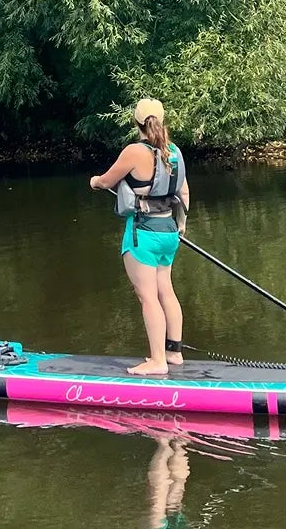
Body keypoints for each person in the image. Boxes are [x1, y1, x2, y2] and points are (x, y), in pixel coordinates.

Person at [89, 98, 190, 376]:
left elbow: (108, 180)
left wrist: (95, 181)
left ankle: (158, 361)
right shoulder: (174, 152)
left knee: (148, 297)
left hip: (142, 235)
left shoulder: (134, 151)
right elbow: (183, 193)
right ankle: (174, 352)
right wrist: (180, 225)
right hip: (169, 232)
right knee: (165, 290)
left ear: (137, 123)